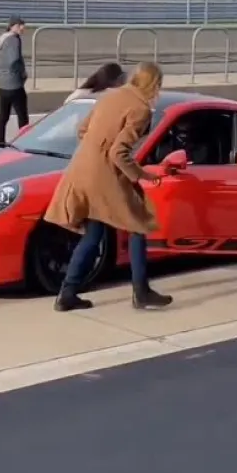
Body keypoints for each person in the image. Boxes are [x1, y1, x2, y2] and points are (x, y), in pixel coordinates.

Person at [45, 61, 173, 313]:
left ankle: (67, 293)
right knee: (138, 225)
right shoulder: (141, 109)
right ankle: (141, 292)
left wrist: (96, 148)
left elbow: (82, 130)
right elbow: (119, 152)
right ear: (154, 84)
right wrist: (142, 175)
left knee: (93, 235)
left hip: (81, 169)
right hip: (105, 175)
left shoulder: (110, 97)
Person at [0, 15, 29, 147]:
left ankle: (0, 142)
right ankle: (24, 142)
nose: (23, 28)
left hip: (2, 84)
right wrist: (22, 74)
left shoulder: (1, 39)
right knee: (22, 116)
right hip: (14, 84)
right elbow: (14, 60)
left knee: (4, 116)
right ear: (13, 26)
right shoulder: (14, 39)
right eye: (20, 25)